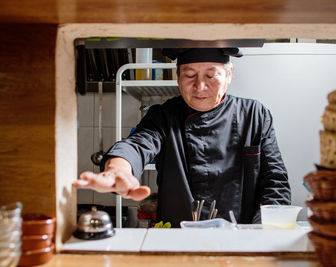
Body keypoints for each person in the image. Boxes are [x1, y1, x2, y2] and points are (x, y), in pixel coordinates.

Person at [73, 48, 291, 227]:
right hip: (177, 239)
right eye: (189, 75)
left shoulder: (255, 115)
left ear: (228, 75)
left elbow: (275, 183)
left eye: (211, 75)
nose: (200, 86)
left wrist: (263, 234)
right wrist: (117, 170)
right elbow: (137, 145)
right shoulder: (163, 116)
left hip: (241, 241)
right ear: (178, 77)